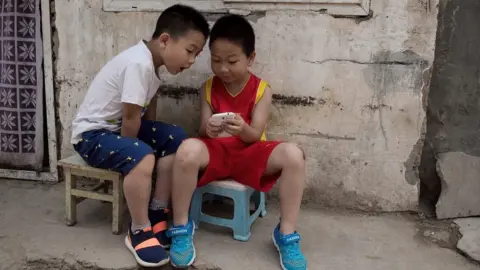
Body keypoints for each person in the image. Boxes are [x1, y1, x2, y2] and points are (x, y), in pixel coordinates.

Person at [70, 4, 209, 268]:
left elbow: (146, 118)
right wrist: (139, 157)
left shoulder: (150, 66)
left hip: (114, 128)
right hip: (91, 136)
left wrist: (150, 146)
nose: (191, 61)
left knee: (175, 138)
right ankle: (139, 228)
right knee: (141, 155)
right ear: (165, 40)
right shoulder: (138, 64)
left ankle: (157, 207)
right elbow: (132, 120)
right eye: (190, 51)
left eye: (197, 54)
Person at [167, 14, 307, 270]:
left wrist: (242, 128)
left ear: (250, 59)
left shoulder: (262, 89)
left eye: (232, 61)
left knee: (294, 155)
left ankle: (286, 234)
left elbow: (255, 135)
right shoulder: (208, 87)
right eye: (216, 61)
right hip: (216, 152)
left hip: (249, 152)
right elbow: (202, 130)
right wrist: (208, 128)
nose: (223, 69)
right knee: (186, 149)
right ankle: (180, 227)